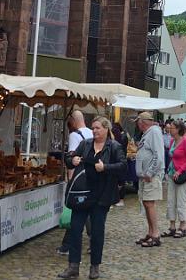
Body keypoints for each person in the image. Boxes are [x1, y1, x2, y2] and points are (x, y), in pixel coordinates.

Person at [58, 117, 125, 279]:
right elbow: (69, 158)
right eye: (93, 128)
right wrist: (71, 160)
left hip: (101, 196)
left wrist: (105, 167)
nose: (94, 131)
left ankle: (95, 266)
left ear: (106, 129)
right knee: (75, 229)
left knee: (97, 232)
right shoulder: (86, 144)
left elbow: (123, 166)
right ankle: (73, 266)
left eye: (97, 128)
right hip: (82, 194)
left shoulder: (114, 146)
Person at [58, 110, 94, 255]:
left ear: (73, 120)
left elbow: (72, 159)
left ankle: (68, 245)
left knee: (77, 211)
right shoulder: (92, 133)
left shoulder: (74, 135)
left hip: (78, 179)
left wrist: (70, 181)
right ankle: (90, 241)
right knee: (86, 211)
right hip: (90, 178)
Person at [133, 112, 164, 248]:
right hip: (146, 177)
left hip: (151, 177)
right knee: (146, 204)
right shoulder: (148, 133)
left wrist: (150, 172)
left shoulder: (154, 132)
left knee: (149, 204)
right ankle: (151, 232)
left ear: (142, 122)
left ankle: (155, 234)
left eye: (137, 122)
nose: (137, 125)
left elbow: (159, 155)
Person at [162, 121, 186, 238]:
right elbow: (172, 157)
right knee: (171, 201)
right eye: (170, 128)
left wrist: (180, 170)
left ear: (179, 129)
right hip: (171, 174)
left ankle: (182, 226)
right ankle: (172, 226)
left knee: (181, 201)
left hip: (182, 175)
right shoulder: (172, 141)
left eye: (172, 128)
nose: (170, 130)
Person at [111, 122, 129, 207]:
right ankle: (118, 198)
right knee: (119, 180)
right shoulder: (123, 136)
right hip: (121, 160)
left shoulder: (121, 137)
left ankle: (120, 199)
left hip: (119, 161)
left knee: (120, 181)